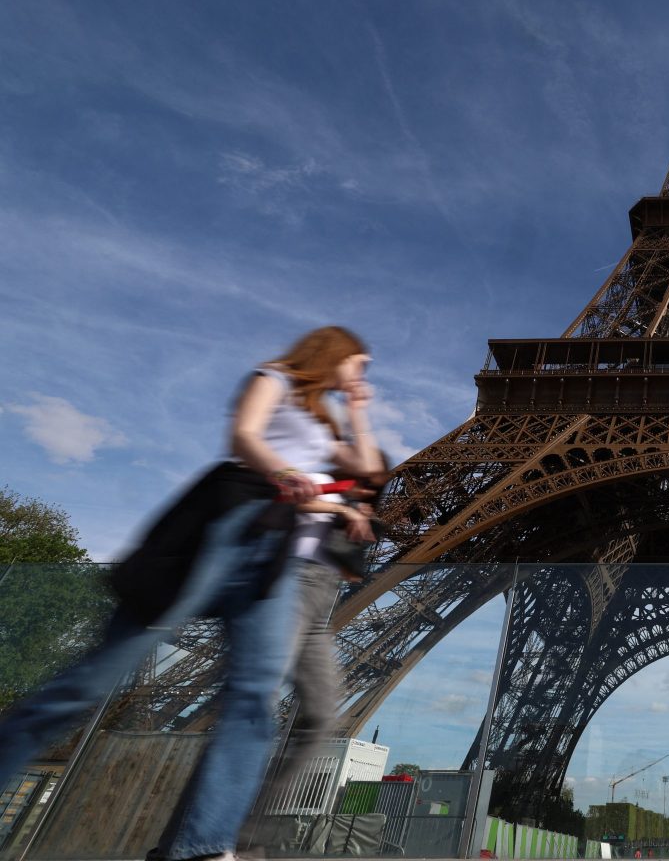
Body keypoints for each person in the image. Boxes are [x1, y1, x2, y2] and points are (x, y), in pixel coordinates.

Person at [0, 326, 382, 861]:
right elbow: (243, 438)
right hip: (223, 532)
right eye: (359, 364)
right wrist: (285, 472)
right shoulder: (274, 378)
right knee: (90, 685)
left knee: (254, 699)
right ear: (335, 353)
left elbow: (368, 468)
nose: (362, 375)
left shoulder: (327, 419)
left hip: (275, 554)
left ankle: (202, 847)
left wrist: (359, 412)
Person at [239, 464, 390, 850]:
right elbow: (291, 492)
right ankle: (201, 837)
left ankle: (244, 832)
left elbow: (370, 467)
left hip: (321, 591)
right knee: (248, 705)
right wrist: (346, 511)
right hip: (289, 580)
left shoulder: (359, 472)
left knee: (322, 717)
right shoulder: (321, 460)